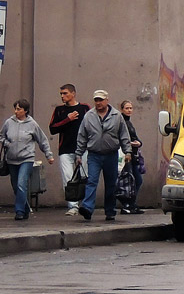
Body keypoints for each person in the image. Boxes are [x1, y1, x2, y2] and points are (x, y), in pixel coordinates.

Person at [75, 90, 132, 222]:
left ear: (107, 100)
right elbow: (82, 136)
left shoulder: (117, 116)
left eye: (101, 100)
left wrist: (127, 151)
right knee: (92, 181)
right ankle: (87, 208)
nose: (98, 103)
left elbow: (124, 135)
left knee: (111, 184)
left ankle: (110, 211)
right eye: (96, 100)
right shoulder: (89, 116)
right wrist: (78, 154)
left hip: (111, 155)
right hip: (94, 154)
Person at [1, 100, 55, 220]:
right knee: (16, 186)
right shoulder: (9, 122)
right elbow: (2, 136)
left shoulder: (32, 124)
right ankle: (25, 208)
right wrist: (7, 143)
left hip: (26, 158)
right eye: (15, 109)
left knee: (21, 184)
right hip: (11, 159)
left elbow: (42, 140)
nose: (16, 111)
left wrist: (49, 155)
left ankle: (19, 211)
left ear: (25, 110)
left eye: (19, 109)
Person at [49, 83, 89, 215]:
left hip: (83, 148)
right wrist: (67, 119)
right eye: (61, 94)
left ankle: (85, 204)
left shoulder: (84, 108)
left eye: (65, 93)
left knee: (84, 176)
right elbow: (53, 129)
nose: (62, 96)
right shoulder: (59, 110)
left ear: (73, 93)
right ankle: (73, 206)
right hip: (65, 149)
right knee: (67, 177)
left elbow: (91, 125)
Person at [118, 100, 144, 214]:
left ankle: (131, 203)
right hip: (126, 155)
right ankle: (127, 204)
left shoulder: (129, 123)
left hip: (133, 155)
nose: (129, 110)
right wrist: (131, 143)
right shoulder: (122, 122)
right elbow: (122, 138)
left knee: (136, 180)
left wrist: (138, 143)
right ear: (122, 109)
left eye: (131, 108)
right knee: (129, 180)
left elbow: (136, 138)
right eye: (127, 108)